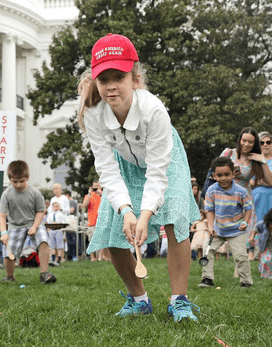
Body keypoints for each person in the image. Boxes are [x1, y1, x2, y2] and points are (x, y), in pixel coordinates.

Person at [78, 34, 201, 321]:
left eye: (118, 77)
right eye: (103, 78)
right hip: (125, 165)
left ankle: (179, 301)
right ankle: (139, 300)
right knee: (111, 228)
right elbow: (106, 167)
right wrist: (125, 210)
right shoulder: (93, 114)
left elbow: (158, 171)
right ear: (95, 81)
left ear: (134, 78)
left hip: (165, 161)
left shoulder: (154, 110)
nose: (110, 86)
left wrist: (144, 215)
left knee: (174, 219)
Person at [199, 156, 254, 289]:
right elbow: (210, 210)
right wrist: (211, 227)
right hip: (219, 230)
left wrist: (245, 223)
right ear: (213, 175)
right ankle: (207, 279)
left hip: (237, 230)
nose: (223, 178)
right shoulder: (211, 191)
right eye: (219, 175)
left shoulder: (241, 191)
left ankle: (246, 282)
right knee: (208, 250)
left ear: (233, 174)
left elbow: (248, 208)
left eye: (227, 174)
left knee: (241, 255)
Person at [0, 160, 56, 283]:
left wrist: (35, 227)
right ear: (10, 179)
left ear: (27, 178)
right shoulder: (6, 194)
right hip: (15, 226)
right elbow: (2, 216)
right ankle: (9, 276)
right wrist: (4, 232)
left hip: (34, 223)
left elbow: (40, 211)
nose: (18, 184)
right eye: (15, 181)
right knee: (8, 251)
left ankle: (44, 274)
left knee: (43, 241)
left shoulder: (35, 193)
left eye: (21, 181)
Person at [81, 180, 109, 261]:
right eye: (94, 186)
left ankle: (100, 257)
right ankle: (92, 258)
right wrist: (89, 193)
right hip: (92, 221)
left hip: (102, 221)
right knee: (92, 240)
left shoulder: (104, 195)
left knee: (102, 239)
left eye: (98, 186)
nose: (96, 188)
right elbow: (84, 205)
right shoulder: (88, 196)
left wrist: (101, 193)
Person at [46, 201, 67, 266]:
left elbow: (63, 223)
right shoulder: (50, 214)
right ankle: (53, 258)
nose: (55, 207)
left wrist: (57, 223)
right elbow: (48, 222)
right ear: (52, 207)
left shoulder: (61, 214)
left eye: (57, 206)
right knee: (52, 245)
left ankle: (59, 259)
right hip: (52, 230)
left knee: (59, 245)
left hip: (58, 230)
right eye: (54, 206)